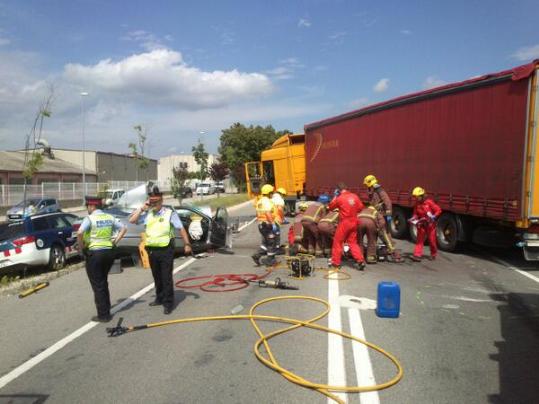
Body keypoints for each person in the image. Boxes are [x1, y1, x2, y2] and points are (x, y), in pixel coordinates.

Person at [129, 187, 192, 315]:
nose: (154, 204)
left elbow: (181, 228)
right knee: (156, 276)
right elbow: (132, 220)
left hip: (166, 249)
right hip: (152, 250)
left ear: (161, 200)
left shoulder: (169, 213)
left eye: (156, 201)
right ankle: (159, 297)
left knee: (166, 277)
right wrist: (142, 208)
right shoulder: (148, 214)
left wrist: (187, 244)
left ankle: (168, 303)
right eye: (151, 201)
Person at [77, 196, 126, 322]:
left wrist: (82, 248)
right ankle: (106, 307)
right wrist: (114, 241)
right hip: (109, 252)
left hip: (95, 253)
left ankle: (103, 315)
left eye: (87, 206)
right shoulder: (109, 217)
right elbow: (123, 228)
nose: (87, 208)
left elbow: (79, 232)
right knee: (103, 281)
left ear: (92, 206)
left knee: (98, 284)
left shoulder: (90, 218)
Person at [329, 182, 366, 270]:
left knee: (337, 242)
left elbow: (330, 207)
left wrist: (335, 196)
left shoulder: (339, 198)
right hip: (354, 222)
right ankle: (360, 260)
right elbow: (360, 208)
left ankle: (336, 263)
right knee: (352, 242)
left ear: (338, 190)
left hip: (344, 223)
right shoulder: (355, 196)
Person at [409, 187, 442, 261]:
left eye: (417, 197)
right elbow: (415, 214)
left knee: (432, 241)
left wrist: (434, 216)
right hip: (421, 224)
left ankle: (433, 254)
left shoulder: (429, 202)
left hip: (430, 225)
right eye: (415, 197)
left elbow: (438, 210)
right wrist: (413, 218)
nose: (416, 198)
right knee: (419, 240)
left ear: (421, 196)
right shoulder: (417, 204)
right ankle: (417, 255)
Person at [252, 184, 278, 266]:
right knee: (271, 242)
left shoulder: (260, 201)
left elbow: (257, 213)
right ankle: (270, 260)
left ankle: (257, 255)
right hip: (267, 224)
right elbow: (267, 212)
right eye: (272, 192)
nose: (272, 194)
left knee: (265, 243)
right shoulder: (267, 201)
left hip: (261, 225)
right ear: (269, 193)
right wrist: (273, 224)